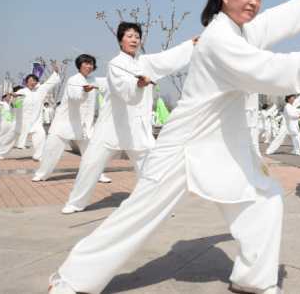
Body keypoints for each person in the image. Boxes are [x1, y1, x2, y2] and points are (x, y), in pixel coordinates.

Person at [48, 0, 300, 294]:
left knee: (265, 200)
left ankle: (254, 281)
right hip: (183, 146)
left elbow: (268, 24)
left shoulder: (238, 33)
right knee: (140, 214)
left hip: (220, 146)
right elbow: (270, 70)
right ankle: (71, 280)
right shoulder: (220, 40)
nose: (254, 2)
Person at [60, 22, 197, 215]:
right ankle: (75, 202)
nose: (134, 40)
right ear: (119, 40)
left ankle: (156, 204)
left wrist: (189, 45)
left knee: (150, 168)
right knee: (91, 164)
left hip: (136, 127)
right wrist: (139, 85)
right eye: (129, 36)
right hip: (112, 124)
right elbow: (124, 89)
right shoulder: (116, 64)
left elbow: (167, 58)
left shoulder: (145, 62)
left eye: (137, 37)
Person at [32, 54, 111, 183]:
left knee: (91, 153)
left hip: (84, 126)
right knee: (51, 151)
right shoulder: (73, 80)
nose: (89, 66)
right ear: (79, 65)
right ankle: (42, 174)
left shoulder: (94, 80)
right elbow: (76, 97)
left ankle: (98, 175)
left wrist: (129, 78)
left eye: (91, 64)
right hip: (65, 124)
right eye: (86, 63)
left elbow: (110, 82)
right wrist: (85, 91)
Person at [0, 67, 60, 161]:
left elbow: (50, 83)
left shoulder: (40, 90)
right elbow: (14, 102)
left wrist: (56, 72)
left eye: (34, 81)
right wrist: (14, 97)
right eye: (30, 81)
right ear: (27, 82)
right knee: (10, 139)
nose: (32, 82)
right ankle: (0, 154)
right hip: (20, 121)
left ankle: (38, 155)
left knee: (41, 135)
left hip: (35, 121)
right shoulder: (22, 92)